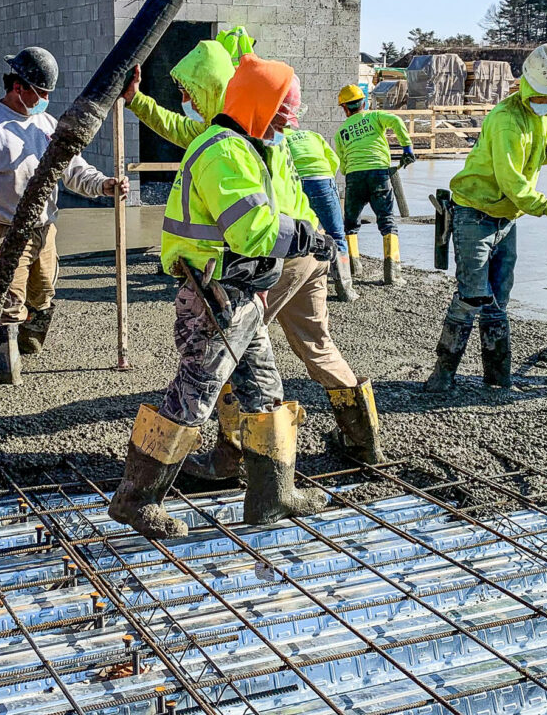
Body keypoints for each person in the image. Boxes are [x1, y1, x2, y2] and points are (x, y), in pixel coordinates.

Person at [120, 44, 385, 470]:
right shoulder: (243, 135)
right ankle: (362, 440)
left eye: (190, 92)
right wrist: (137, 101)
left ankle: (229, 456)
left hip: (281, 253)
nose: (186, 101)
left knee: (230, 353)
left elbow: (254, 227)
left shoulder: (240, 144)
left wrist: (263, 271)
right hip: (307, 250)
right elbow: (178, 127)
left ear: (212, 90)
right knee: (315, 346)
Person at [108, 54, 336, 540]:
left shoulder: (250, 149)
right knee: (193, 397)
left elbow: (279, 210)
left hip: (242, 294)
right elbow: (251, 230)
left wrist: (306, 236)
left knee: (265, 392)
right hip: (215, 299)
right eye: (282, 115)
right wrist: (309, 238)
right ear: (258, 106)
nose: (286, 126)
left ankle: (273, 496)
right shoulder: (223, 152)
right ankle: (135, 500)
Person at [0, 47, 125, 384]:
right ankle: (6, 367)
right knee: (7, 299)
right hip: (4, 230)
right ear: (18, 87)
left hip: (44, 228)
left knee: (43, 293)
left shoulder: (47, 124)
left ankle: (27, 345)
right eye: (41, 92)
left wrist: (104, 185)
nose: (45, 99)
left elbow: (73, 169)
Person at [424, 43, 547, 393]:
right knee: (472, 296)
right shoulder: (507, 121)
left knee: (498, 300)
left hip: (506, 219)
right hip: (475, 214)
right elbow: (512, 183)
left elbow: (534, 158)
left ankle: (498, 379)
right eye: (541, 96)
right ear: (527, 86)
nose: (546, 102)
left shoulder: (542, 116)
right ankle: (442, 375)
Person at [334, 84, 413, 284]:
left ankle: (353, 267)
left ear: (345, 108)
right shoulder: (375, 117)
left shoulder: (341, 132)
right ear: (364, 103)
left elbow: (342, 164)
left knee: (350, 223)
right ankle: (392, 273)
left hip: (354, 177)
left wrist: (353, 173)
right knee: (387, 220)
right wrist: (407, 148)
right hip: (379, 174)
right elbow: (396, 120)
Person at [286, 125, 357, 302]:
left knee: (303, 234)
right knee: (337, 234)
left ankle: (304, 285)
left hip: (297, 183)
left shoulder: (279, 139)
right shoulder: (312, 135)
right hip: (322, 180)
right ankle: (345, 288)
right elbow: (334, 159)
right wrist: (328, 180)